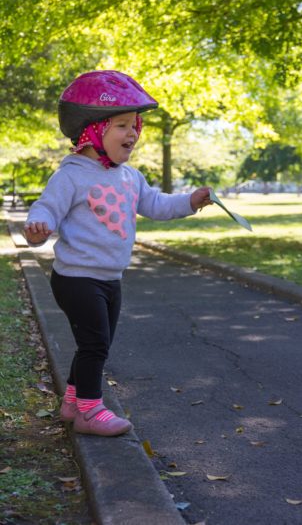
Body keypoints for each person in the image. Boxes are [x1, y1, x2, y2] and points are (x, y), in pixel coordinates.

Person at [24, 70, 212, 437]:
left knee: (97, 342)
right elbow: (47, 208)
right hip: (76, 278)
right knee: (94, 343)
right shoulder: (72, 175)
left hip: (111, 277)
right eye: (123, 125)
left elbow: (156, 204)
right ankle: (90, 412)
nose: (133, 134)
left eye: (135, 126)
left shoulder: (130, 178)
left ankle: (73, 401)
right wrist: (37, 226)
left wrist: (190, 201)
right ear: (94, 131)